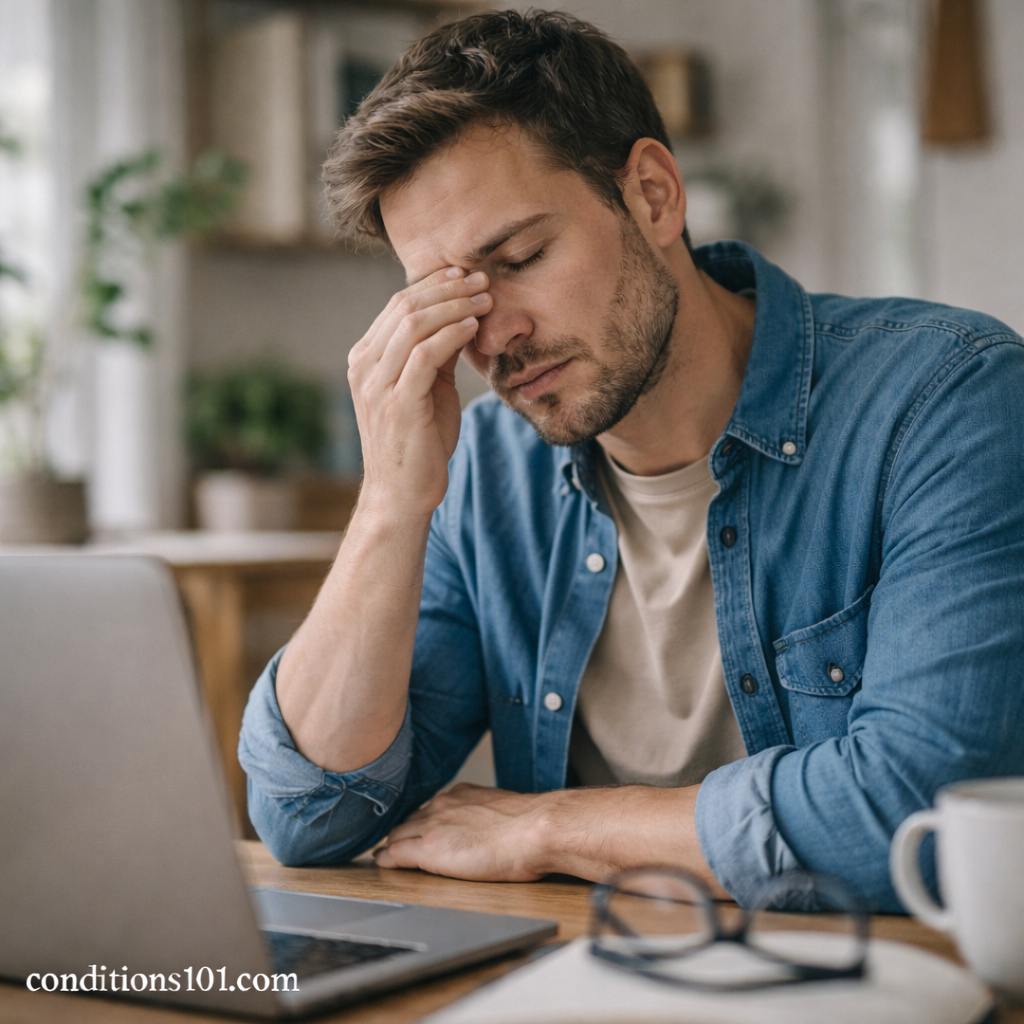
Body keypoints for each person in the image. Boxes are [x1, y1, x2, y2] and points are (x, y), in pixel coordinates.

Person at [238, 10, 1024, 911]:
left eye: (521, 257)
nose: (494, 335)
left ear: (653, 195)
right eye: (443, 296)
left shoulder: (948, 401)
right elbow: (311, 815)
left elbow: (919, 813)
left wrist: (550, 826)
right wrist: (389, 502)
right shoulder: (486, 470)